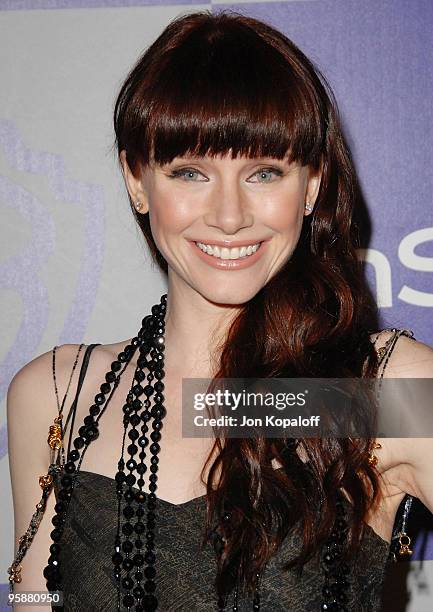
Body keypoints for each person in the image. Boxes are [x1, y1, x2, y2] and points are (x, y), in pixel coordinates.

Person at [6, 10, 433, 612]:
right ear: (135, 178)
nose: (229, 216)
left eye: (264, 172)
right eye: (190, 172)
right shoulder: (56, 394)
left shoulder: (384, 388)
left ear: (310, 184)